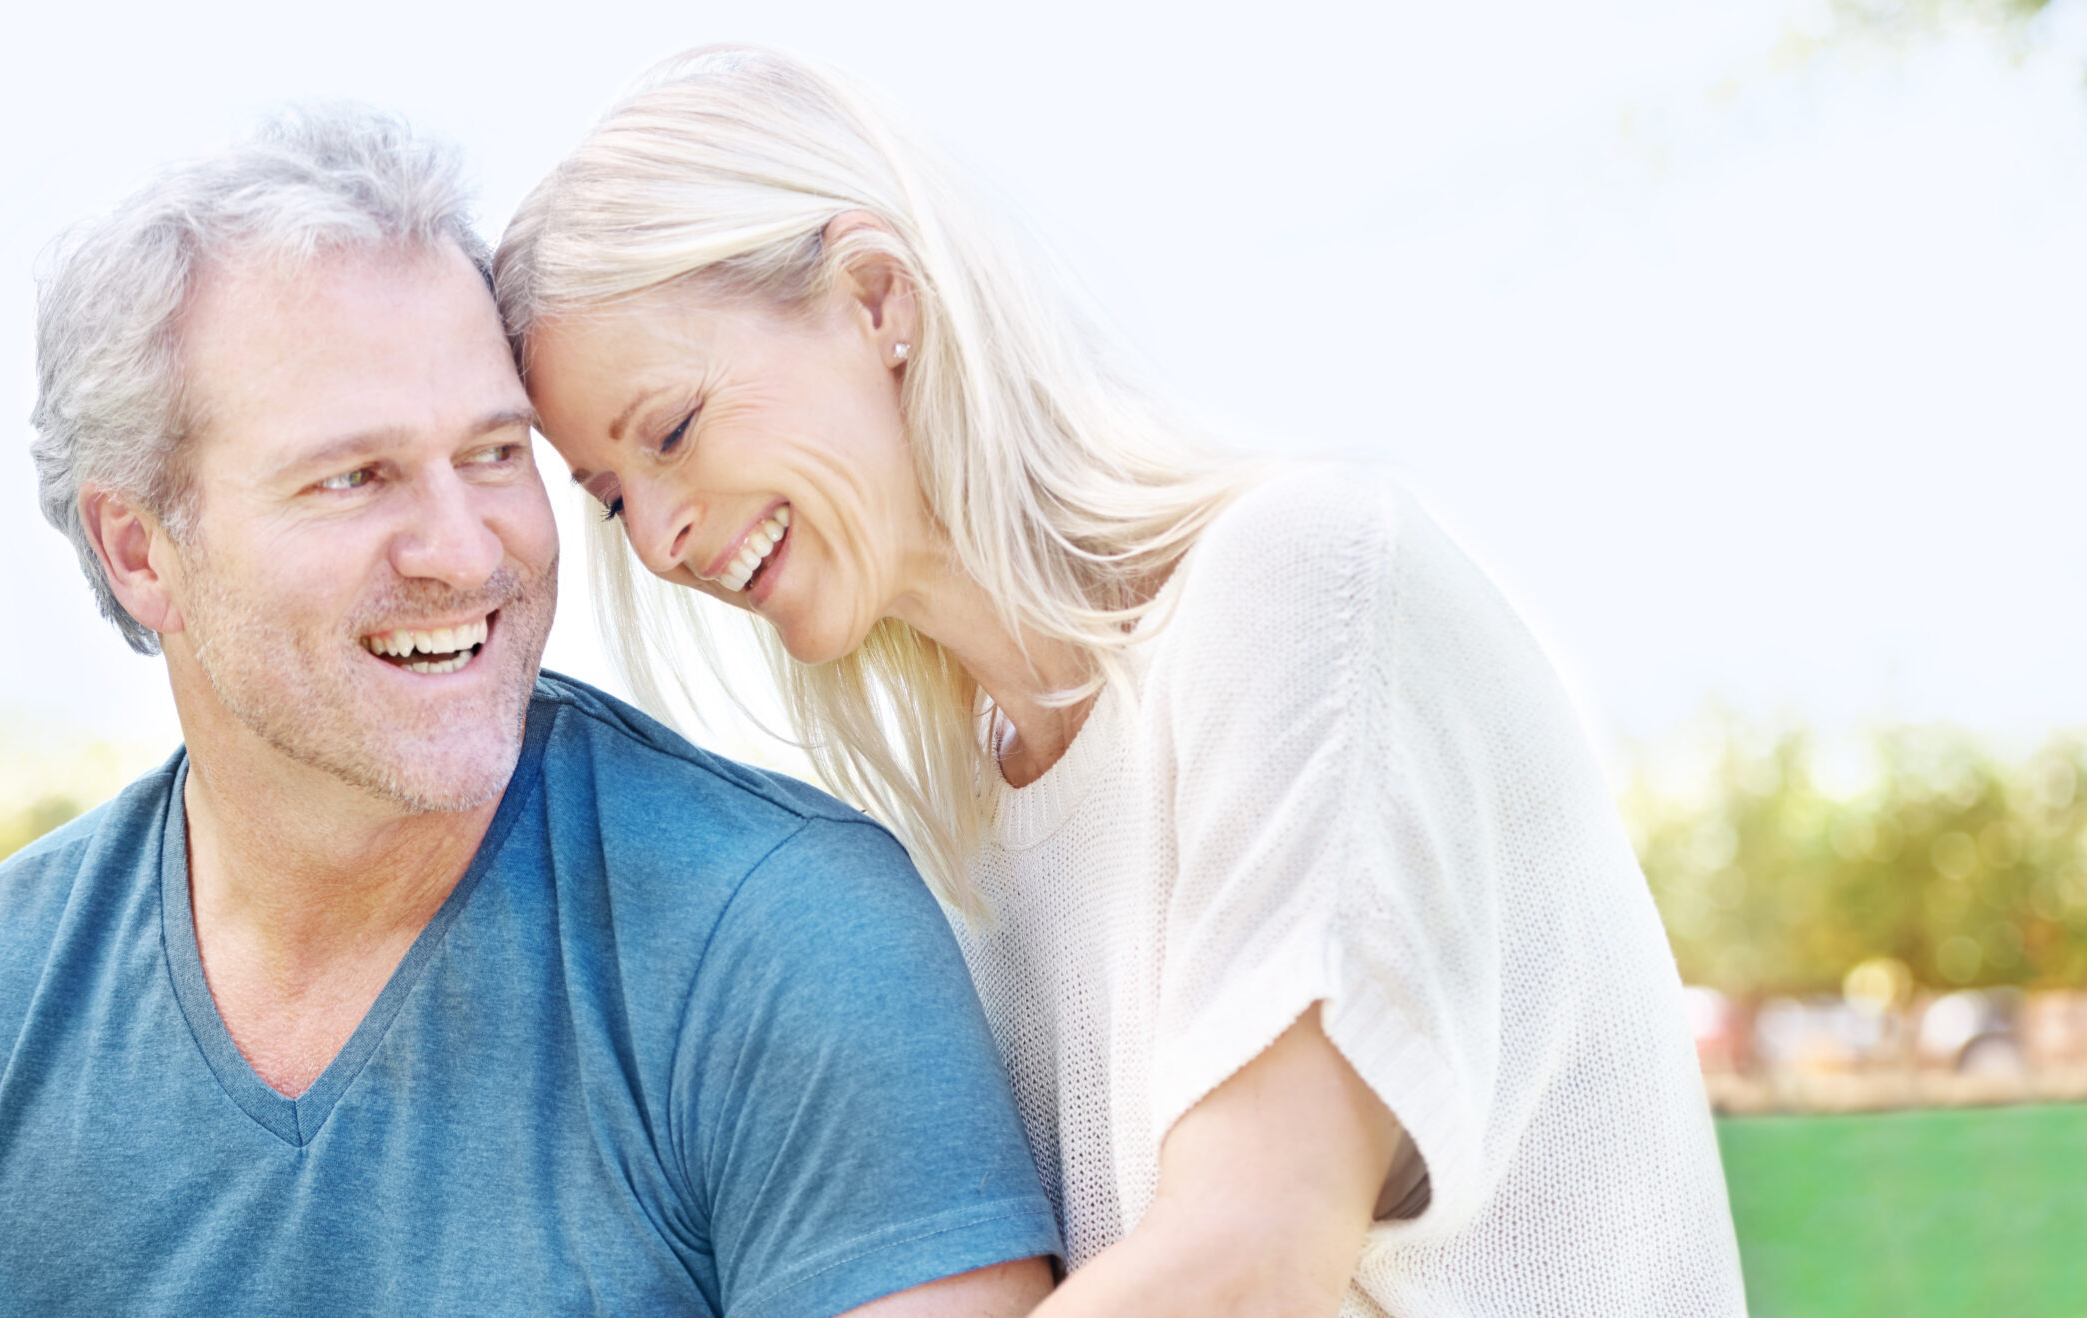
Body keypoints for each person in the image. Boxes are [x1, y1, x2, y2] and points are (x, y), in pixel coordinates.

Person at [501, 46, 1748, 1316]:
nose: (659, 540)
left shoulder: (1303, 587)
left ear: (877, 298)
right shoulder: (965, 855)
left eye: (668, 432)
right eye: (610, 502)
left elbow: (1253, 1262)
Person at [0, 104, 1061, 1318]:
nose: (465, 553)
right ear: (139, 549)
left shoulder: (785, 940)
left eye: (495, 454)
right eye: (353, 476)